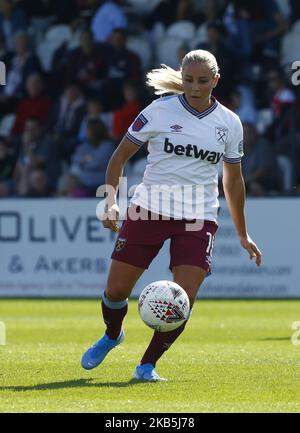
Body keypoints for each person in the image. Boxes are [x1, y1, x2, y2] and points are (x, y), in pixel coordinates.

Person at [81, 49, 262, 381]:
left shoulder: (229, 123)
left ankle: (147, 365)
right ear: (181, 78)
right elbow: (118, 157)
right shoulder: (159, 111)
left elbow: (233, 181)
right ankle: (112, 335)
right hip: (149, 209)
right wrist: (110, 201)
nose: (194, 87)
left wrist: (242, 233)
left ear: (215, 80)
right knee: (116, 291)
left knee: (184, 299)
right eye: (189, 80)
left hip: (198, 216)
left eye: (203, 81)